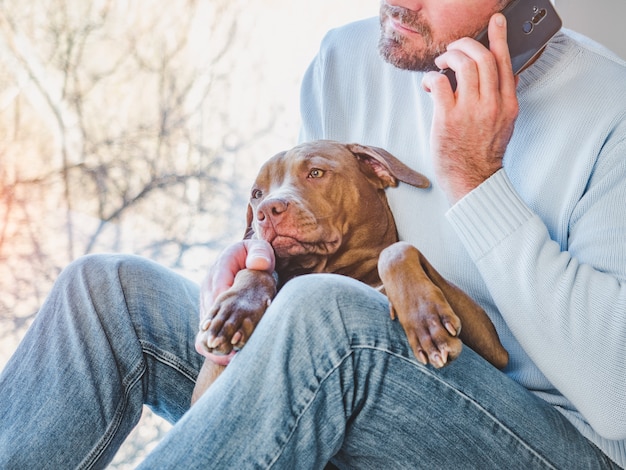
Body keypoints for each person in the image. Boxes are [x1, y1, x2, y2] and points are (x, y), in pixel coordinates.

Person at [1, 0, 626, 467]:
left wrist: (476, 178)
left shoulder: (608, 110)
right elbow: (314, 253)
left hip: (553, 440)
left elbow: (616, 399)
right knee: (106, 294)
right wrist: (256, 273)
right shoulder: (348, 61)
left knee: (324, 312)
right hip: (364, 375)